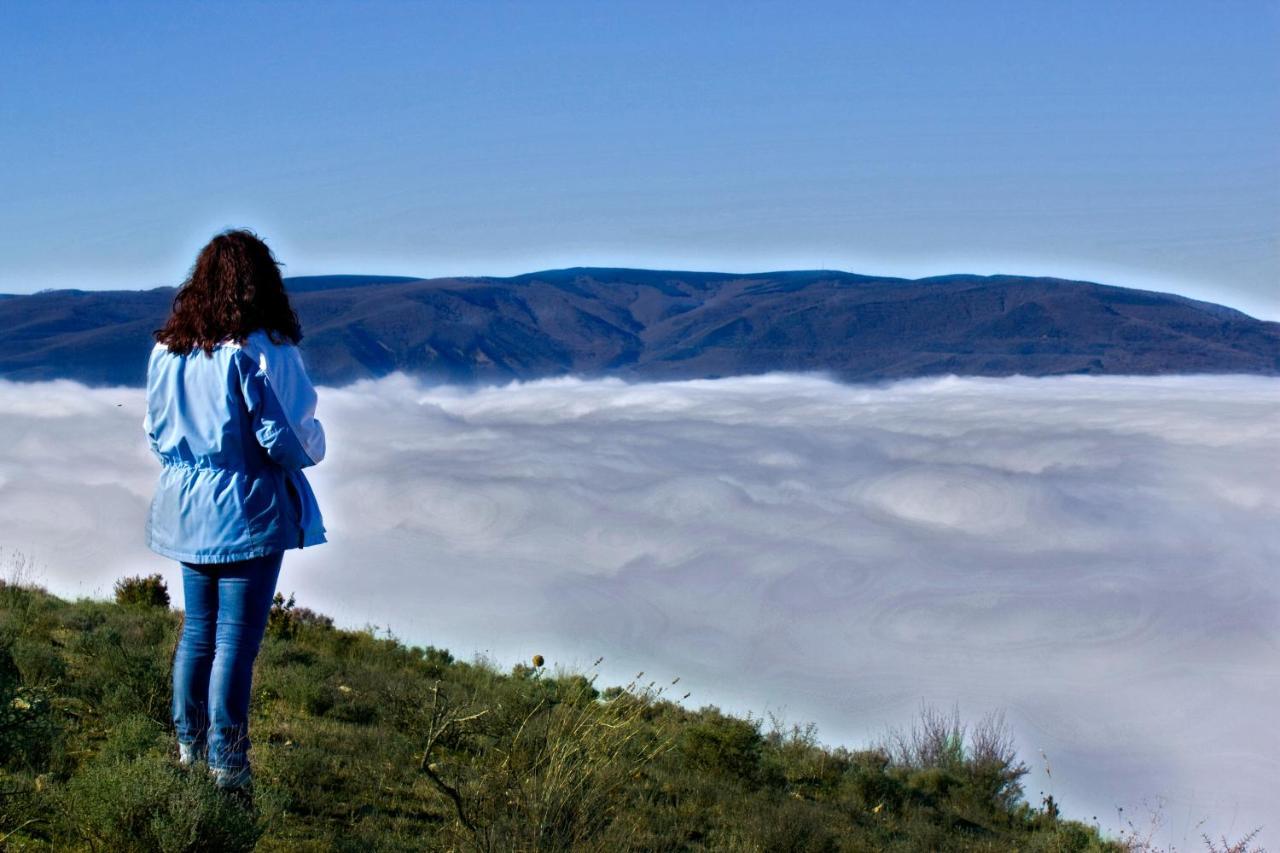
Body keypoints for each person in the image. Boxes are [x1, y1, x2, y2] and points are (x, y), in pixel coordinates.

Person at [143, 228, 327, 792]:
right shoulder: (261, 350)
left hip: (185, 507)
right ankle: (229, 766)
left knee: (197, 634)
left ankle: (188, 749)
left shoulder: (167, 351)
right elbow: (287, 438)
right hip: (247, 509)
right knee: (235, 645)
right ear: (262, 284)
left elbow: (155, 432)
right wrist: (317, 442)